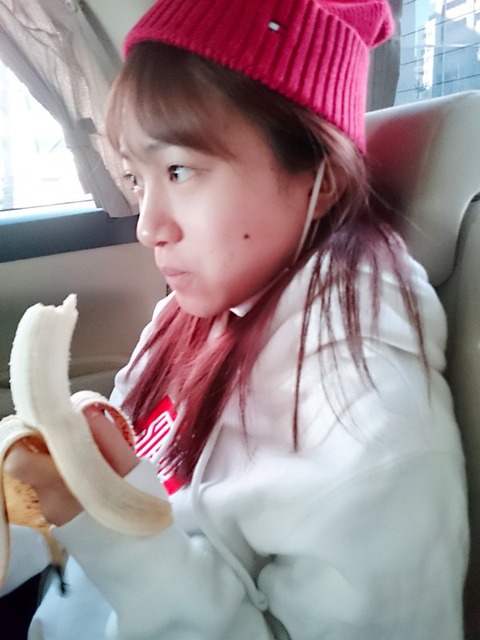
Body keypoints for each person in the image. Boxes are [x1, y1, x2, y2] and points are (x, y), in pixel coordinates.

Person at [1, 0, 469, 638]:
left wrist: (102, 521)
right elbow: (136, 462)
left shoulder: (369, 422)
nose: (147, 227)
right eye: (138, 178)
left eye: (179, 170)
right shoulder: (192, 313)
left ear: (321, 179)